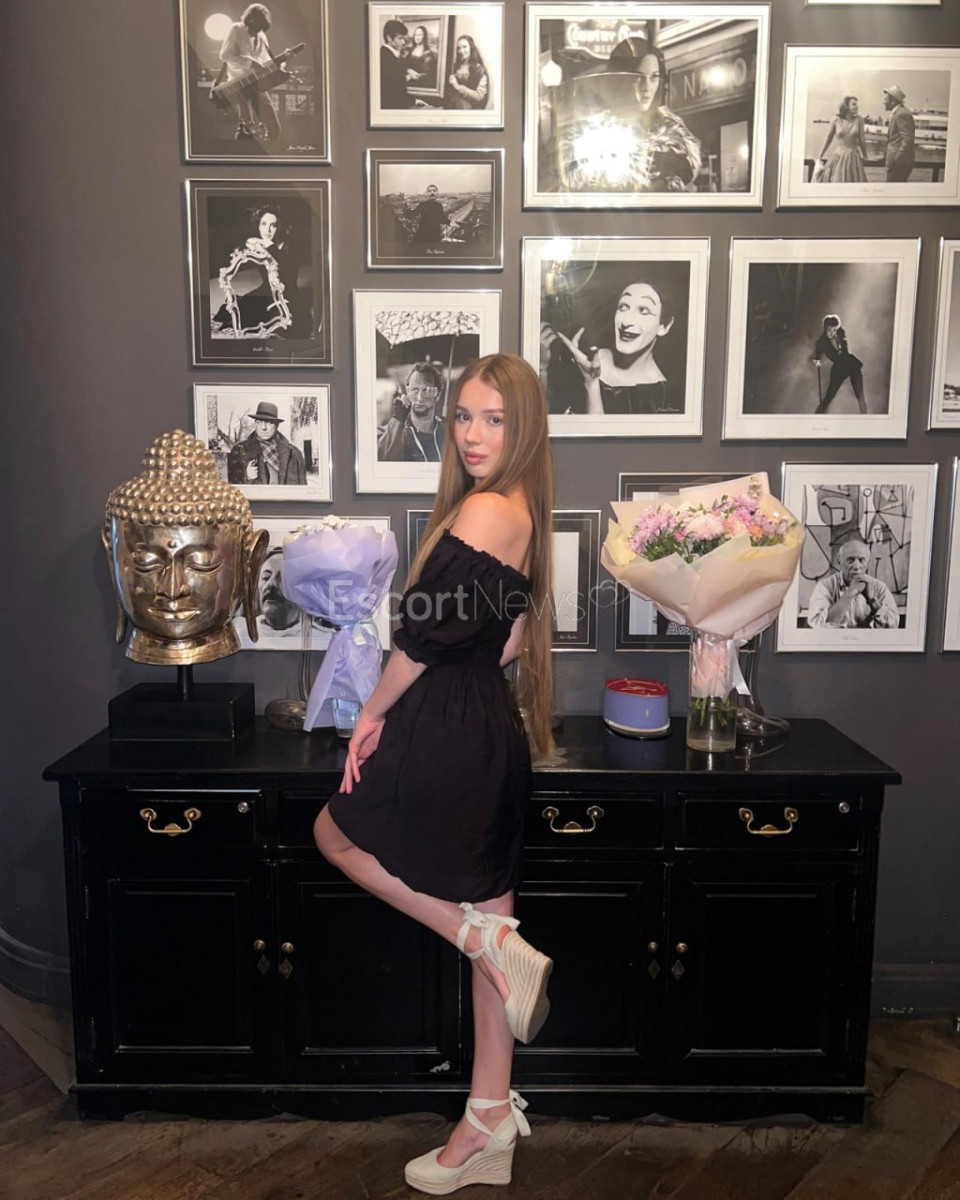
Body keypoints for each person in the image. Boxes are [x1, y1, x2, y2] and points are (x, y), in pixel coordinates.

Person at [314, 353, 556, 1194]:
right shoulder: (524, 514)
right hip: (488, 725)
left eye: (494, 419)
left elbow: (418, 642)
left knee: (333, 836)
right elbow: (511, 644)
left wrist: (371, 714)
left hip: (446, 725)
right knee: (495, 923)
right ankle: (487, 1120)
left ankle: (479, 939)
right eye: (463, 416)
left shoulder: (485, 510)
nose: (472, 434)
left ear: (523, 427)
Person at [539, 277, 682, 415]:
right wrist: (542, 367)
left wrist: (591, 382)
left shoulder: (663, 398)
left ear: (664, 326)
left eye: (643, 310)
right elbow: (545, 419)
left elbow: (596, 432)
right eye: (623, 307)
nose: (626, 321)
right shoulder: (581, 357)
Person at [212, 207, 293, 339]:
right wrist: (255, 243)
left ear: (279, 227)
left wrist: (268, 244)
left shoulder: (287, 246)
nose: (267, 230)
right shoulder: (260, 243)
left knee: (258, 320)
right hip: (265, 290)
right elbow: (245, 243)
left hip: (285, 293)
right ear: (258, 226)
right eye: (264, 224)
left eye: (273, 225)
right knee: (231, 309)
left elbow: (287, 272)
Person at [215, 4, 281, 141]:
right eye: (256, 28)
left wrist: (280, 63)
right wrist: (249, 62)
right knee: (246, 130)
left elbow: (266, 60)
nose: (257, 32)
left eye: (260, 29)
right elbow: (225, 55)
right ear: (250, 20)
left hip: (258, 83)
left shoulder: (261, 35)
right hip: (240, 84)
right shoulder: (236, 29)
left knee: (274, 129)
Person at [806, 535, 899, 629]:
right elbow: (816, 624)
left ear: (868, 563)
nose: (856, 566)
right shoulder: (825, 586)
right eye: (850, 560)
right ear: (839, 562)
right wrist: (851, 592)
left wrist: (872, 601)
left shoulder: (879, 587)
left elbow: (893, 625)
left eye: (861, 560)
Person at [377, 361, 447, 462]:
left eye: (427, 390)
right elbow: (382, 459)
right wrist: (398, 420)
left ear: (438, 395)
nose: (420, 398)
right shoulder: (386, 433)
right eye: (415, 390)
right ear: (407, 392)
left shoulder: (449, 433)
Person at [227, 400, 306, 485]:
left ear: (277, 425)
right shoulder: (239, 450)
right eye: (259, 422)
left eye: (269, 422)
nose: (263, 427)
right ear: (255, 424)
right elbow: (230, 486)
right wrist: (246, 475)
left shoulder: (294, 454)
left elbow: (303, 488)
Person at [813, 314, 867, 414]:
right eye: (829, 330)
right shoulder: (821, 342)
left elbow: (844, 348)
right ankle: (818, 416)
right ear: (825, 328)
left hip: (851, 364)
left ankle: (865, 417)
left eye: (834, 330)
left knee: (860, 396)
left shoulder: (840, 332)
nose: (832, 333)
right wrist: (817, 361)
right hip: (839, 368)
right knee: (828, 397)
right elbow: (817, 355)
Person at [815, 96, 868, 183]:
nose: (857, 106)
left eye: (857, 104)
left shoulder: (859, 120)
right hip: (838, 157)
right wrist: (820, 156)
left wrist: (865, 156)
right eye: (854, 104)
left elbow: (862, 140)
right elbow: (828, 139)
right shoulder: (836, 120)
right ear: (846, 106)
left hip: (853, 158)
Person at [256, 547, 302, 635]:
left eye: (282, 578)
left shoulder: (322, 638)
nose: (270, 584)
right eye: (266, 577)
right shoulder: (241, 633)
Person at [445, 35, 489, 110]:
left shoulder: (479, 70)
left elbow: (479, 97)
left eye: (464, 47)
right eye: (459, 48)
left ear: (471, 48)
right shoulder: (456, 66)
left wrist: (457, 87)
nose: (461, 51)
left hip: (469, 110)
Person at [883, 85, 915, 182]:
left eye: (885, 99)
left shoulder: (901, 114)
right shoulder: (899, 112)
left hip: (899, 165)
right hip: (898, 163)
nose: (883, 102)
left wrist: (896, 159)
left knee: (892, 189)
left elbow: (907, 139)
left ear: (893, 101)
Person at [381, 18, 413, 109]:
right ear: (389, 38)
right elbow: (393, 96)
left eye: (404, 38)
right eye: (400, 38)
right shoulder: (387, 59)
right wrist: (414, 101)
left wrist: (407, 70)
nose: (403, 42)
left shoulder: (387, 55)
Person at [404, 24, 437, 91]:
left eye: (420, 35)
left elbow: (429, 74)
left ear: (424, 36)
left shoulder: (428, 54)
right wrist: (408, 71)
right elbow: (404, 65)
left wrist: (412, 76)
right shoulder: (410, 51)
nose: (417, 37)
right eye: (416, 35)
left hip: (421, 86)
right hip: (407, 85)